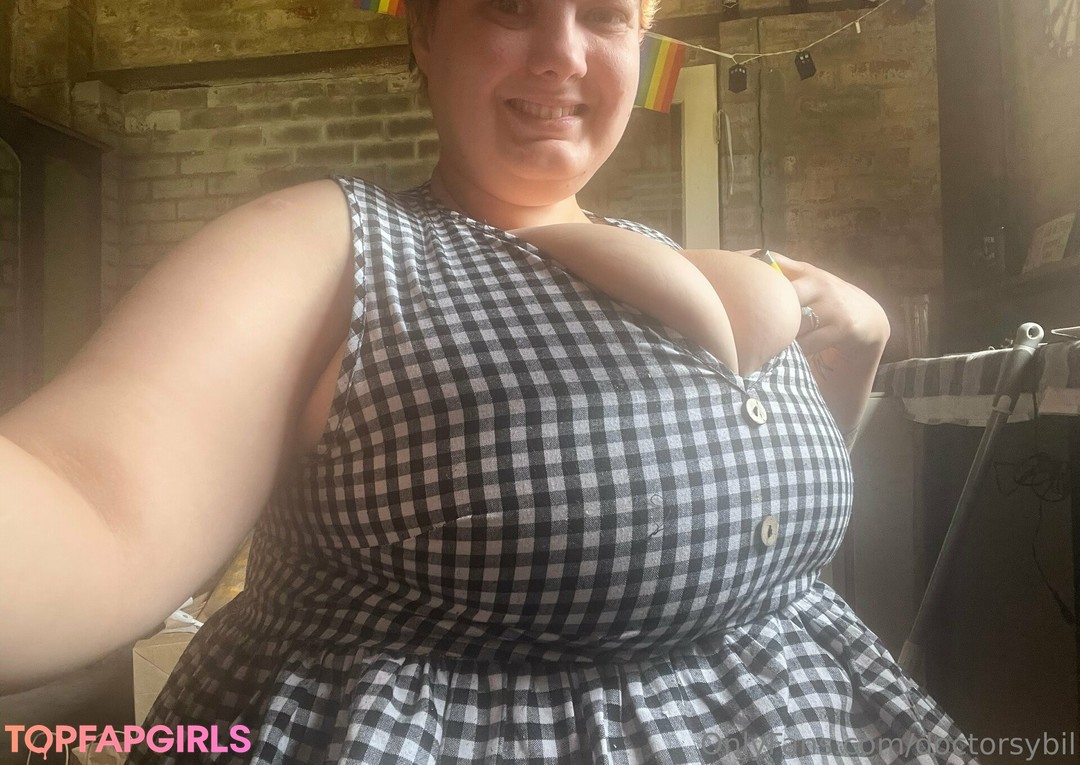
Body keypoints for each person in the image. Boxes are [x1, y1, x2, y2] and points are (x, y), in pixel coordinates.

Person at [0, 0, 979, 762]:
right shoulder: (342, 247)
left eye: (604, 16)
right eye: (509, 6)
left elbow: (743, 525)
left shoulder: (664, 252)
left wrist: (860, 350)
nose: (561, 54)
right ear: (426, 32)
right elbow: (92, 499)